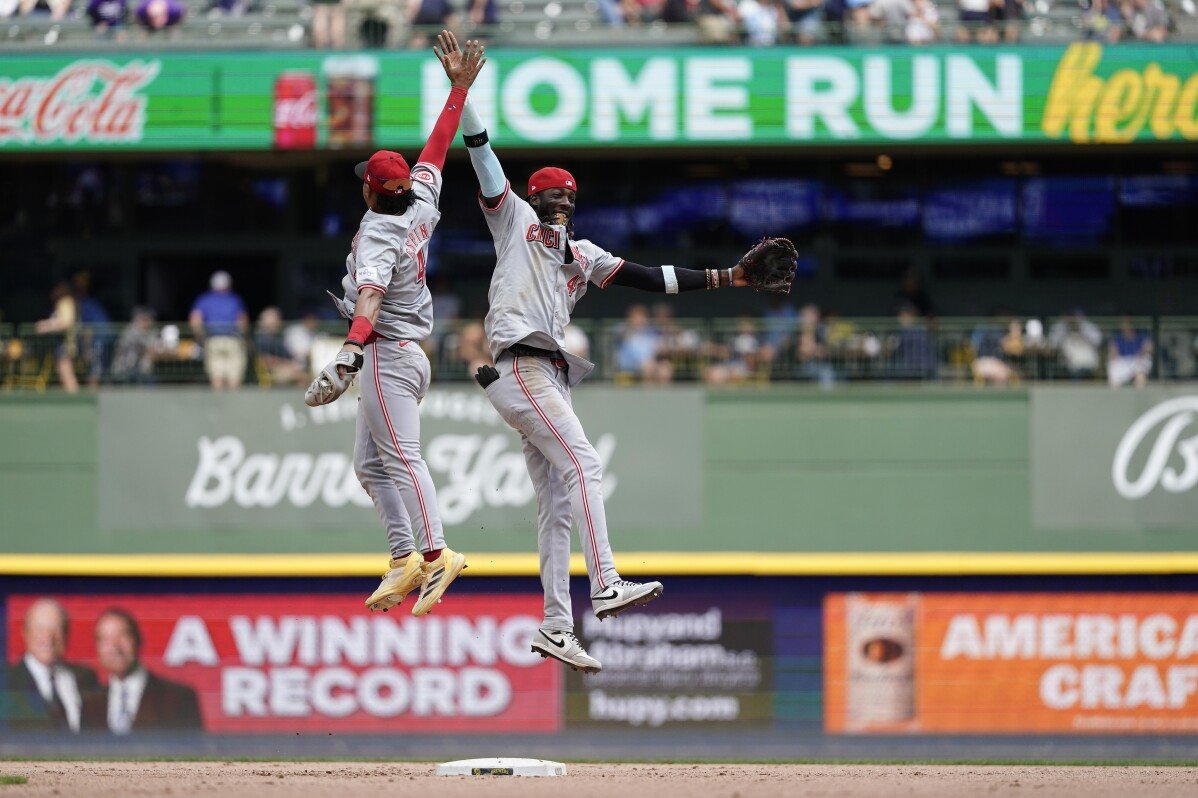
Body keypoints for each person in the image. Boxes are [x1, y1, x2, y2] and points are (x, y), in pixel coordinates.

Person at [458, 94, 766, 675]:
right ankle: (604, 585)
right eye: (553, 193)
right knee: (585, 466)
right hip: (524, 368)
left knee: (556, 507)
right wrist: (463, 98)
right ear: (535, 195)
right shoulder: (514, 219)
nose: (562, 200)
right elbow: (481, 152)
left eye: (569, 195)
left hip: (543, 375)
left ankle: (555, 626)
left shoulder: (582, 252)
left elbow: (654, 278)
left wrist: (731, 276)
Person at [310, 31, 485, 616]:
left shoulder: (381, 233)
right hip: (405, 350)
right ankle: (403, 556)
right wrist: (458, 90)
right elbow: (436, 147)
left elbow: (370, 300)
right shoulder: (421, 199)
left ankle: (437, 557)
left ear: (368, 188)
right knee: (370, 465)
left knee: (404, 458)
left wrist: (351, 351)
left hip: (388, 352)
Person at [81, 609, 201, 733]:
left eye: (122, 636)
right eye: (105, 639)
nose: (115, 646)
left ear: (138, 640)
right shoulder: (90, 703)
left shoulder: (179, 698)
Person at [5, 599, 99, 732]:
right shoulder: (6, 683)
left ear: (66, 634)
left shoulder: (86, 678)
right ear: (25, 632)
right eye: (40, 628)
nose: (48, 637)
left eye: (56, 629)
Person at [189, 271, 249, 390]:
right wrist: (244, 337)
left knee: (217, 377)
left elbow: (195, 321)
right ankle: (233, 405)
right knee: (234, 377)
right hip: (233, 340)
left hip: (213, 340)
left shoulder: (204, 299)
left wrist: (201, 337)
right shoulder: (235, 299)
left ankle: (220, 406)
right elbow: (243, 322)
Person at [34, 282, 79, 394]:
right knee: (61, 370)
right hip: (61, 343)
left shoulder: (66, 302)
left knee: (66, 372)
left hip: (66, 343)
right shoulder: (62, 303)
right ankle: (70, 397)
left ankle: (74, 399)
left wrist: (46, 326)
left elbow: (66, 322)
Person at [255, 307, 307, 386]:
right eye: (276, 320)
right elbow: (264, 360)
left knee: (306, 377)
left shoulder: (278, 337)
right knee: (302, 377)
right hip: (272, 372)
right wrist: (287, 363)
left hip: (287, 368)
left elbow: (288, 355)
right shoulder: (261, 339)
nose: (279, 322)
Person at [110, 306, 161, 384]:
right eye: (144, 319)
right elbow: (137, 346)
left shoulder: (152, 331)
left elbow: (156, 345)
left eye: (149, 319)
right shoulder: (130, 330)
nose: (148, 321)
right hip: (125, 367)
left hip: (140, 369)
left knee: (148, 371)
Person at [1107, 318, 1153, 388]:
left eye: (1128, 326)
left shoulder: (1141, 335)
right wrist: (1113, 354)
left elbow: (1149, 347)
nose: (1126, 329)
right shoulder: (1118, 337)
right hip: (1123, 361)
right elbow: (1113, 350)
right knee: (1113, 370)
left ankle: (1139, 395)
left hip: (1137, 359)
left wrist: (1142, 353)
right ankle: (1116, 396)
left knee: (1140, 374)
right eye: (1124, 327)